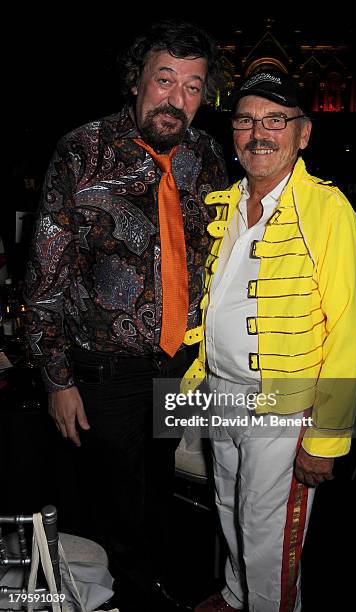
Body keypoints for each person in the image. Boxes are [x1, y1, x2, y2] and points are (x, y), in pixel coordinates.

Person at [24, 19, 227, 612]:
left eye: (192, 87)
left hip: (181, 364)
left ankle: (156, 585)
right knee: (117, 501)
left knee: (165, 487)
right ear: (136, 81)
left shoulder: (208, 156)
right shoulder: (82, 150)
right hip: (105, 369)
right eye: (164, 80)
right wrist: (58, 379)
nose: (177, 99)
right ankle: (130, 598)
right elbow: (45, 276)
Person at [181, 70, 356, 611]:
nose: (258, 133)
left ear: (303, 134)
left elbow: (349, 331)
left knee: (269, 533)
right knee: (228, 505)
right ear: (233, 133)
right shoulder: (227, 203)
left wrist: (326, 438)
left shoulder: (327, 210)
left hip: (282, 405)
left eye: (275, 121)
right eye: (246, 121)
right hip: (223, 393)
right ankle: (240, 595)